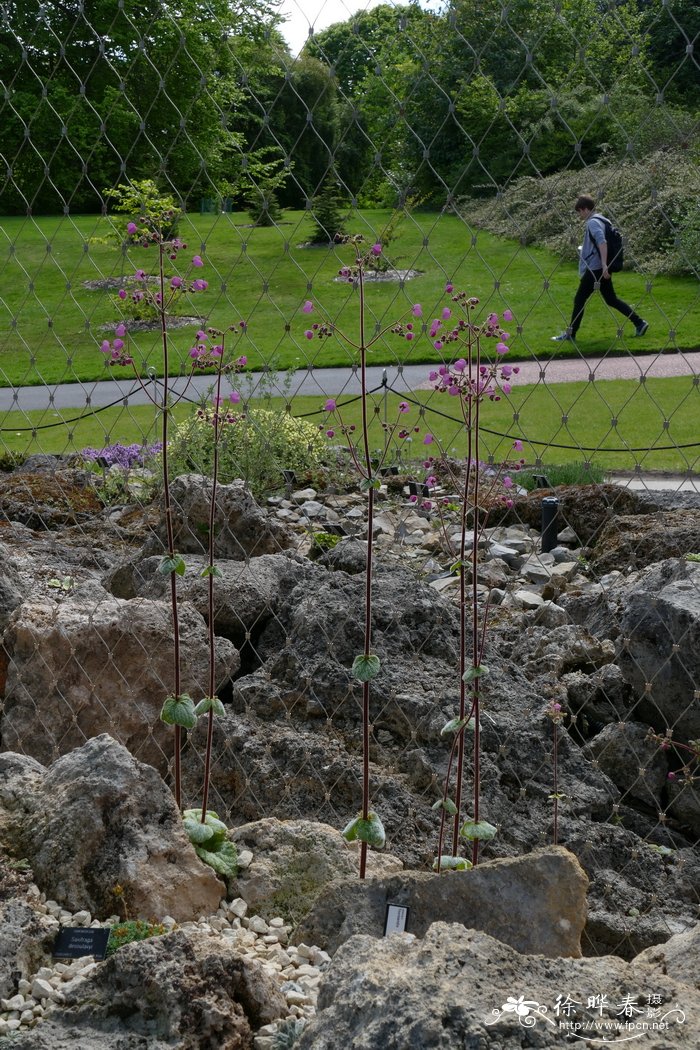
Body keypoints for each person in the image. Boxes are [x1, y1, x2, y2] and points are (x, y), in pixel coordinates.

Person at [552, 195, 648, 342]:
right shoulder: (603, 219)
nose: (579, 215)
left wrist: (604, 265)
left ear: (584, 209)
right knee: (611, 299)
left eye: (579, 211)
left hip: (596, 269)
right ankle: (639, 323)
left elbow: (602, 242)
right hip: (602, 268)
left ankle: (571, 335)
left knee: (579, 299)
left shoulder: (592, 223)